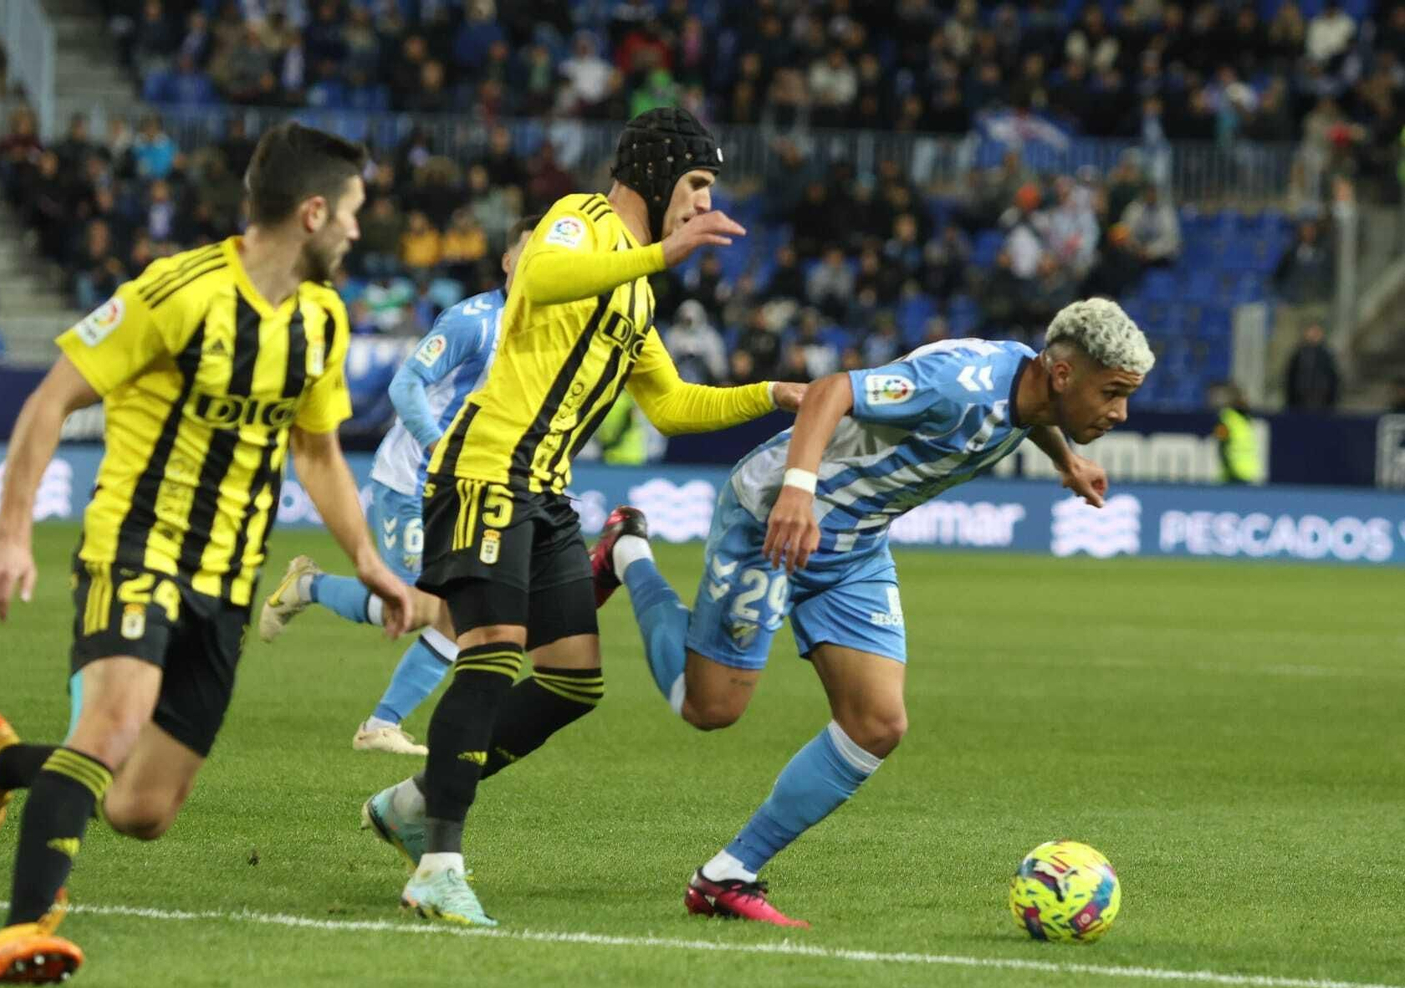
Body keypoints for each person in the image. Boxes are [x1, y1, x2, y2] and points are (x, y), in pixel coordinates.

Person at [0, 122, 415, 984]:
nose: (359, 230)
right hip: (137, 545)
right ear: (313, 212)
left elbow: (316, 453)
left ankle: (1, 764)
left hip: (229, 581)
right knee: (113, 722)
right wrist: (11, 531)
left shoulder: (322, 320)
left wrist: (367, 559)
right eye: (352, 212)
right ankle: (20, 932)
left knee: (140, 809)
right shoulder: (178, 293)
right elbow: (50, 401)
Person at [359, 107, 807, 927]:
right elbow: (537, 280)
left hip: (547, 491)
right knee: (490, 654)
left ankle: (413, 802)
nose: (703, 202)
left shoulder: (633, 288)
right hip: (487, 465)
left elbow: (670, 404)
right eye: (697, 183)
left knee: (572, 681)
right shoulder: (581, 221)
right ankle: (438, 865)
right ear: (660, 170)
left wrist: (775, 395)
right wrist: (661, 253)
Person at [597, 301, 1148, 925]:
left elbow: (1029, 414)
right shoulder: (955, 383)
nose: (1120, 412)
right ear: (1064, 375)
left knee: (877, 722)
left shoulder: (1034, 390)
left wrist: (1066, 460)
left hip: (854, 546)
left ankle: (728, 875)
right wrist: (799, 494)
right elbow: (831, 391)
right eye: (1112, 393)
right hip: (773, 521)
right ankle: (627, 552)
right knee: (710, 707)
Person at [258, 215, 544, 754]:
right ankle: (309, 590)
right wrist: (439, 445)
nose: (537, 263)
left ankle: (379, 721)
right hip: (412, 481)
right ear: (507, 262)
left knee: (453, 615)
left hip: (472, 493)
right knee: (424, 605)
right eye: (527, 252)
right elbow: (406, 383)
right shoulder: (474, 322)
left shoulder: (548, 332)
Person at [1210, 381, 1264, 484]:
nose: (1246, 401)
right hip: (1234, 472)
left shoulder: (1240, 418)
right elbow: (1221, 435)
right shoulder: (1230, 417)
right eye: (1243, 398)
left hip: (1243, 472)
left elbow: (1221, 435)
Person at [1284, 322, 1340, 411]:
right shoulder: (1299, 354)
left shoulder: (1326, 355)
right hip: (1300, 403)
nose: (1313, 335)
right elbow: (1291, 377)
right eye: (1311, 331)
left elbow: (1333, 379)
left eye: (1316, 332)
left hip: (1322, 403)